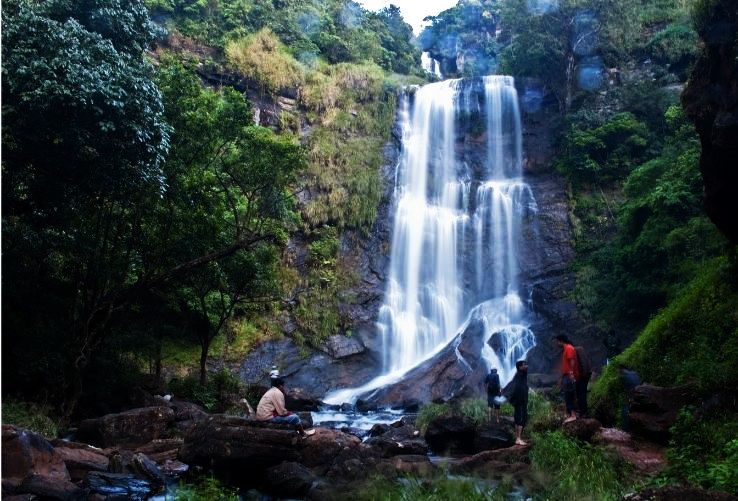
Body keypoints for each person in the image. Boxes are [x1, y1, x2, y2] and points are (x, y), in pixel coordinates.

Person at [554, 334, 579, 423]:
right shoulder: (566, 349)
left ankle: (573, 415)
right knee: (568, 394)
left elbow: (572, 360)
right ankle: (571, 413)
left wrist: (571, 373)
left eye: (557, 341)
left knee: (569, 394)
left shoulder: (568, 348)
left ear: (561, 341)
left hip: (569, 375)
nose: (556, 343)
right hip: (566, 375)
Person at [506, 360, 529, 446]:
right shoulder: (519, 376)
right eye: (524, 365)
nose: (526, 366)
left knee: (518, 417)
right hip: (520, 400)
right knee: (521, 418)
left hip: (520, 400)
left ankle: (518, 437)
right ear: (520, 367)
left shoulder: (521, 375)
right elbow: (517, 389)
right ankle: (518, 438)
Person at [574, 345, 593, 417]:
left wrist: (582, 375)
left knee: (581, 393)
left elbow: (583, 363)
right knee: (581, 393)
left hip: (584, 375)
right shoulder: (578, 349)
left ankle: (584, 412)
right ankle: (583, 411)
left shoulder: (578, 350)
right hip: (584, 374)